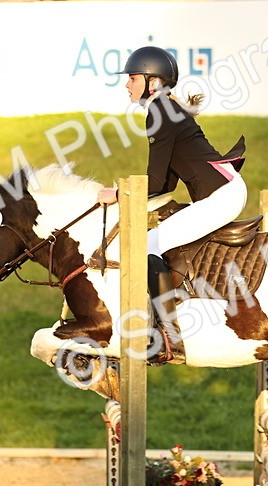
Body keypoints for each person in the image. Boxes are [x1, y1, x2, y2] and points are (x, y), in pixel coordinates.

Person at [98, 46, 247, 365]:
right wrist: (126, 195)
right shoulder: (164, 108)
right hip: (225, 192)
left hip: (222, 196)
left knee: (150, 244)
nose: (127, 85)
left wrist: (118, 193)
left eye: (133, 78)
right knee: (154, 241)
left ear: (153, 82)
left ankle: (169, 335)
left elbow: (153, 182)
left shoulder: (159, 110)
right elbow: (166, 183)